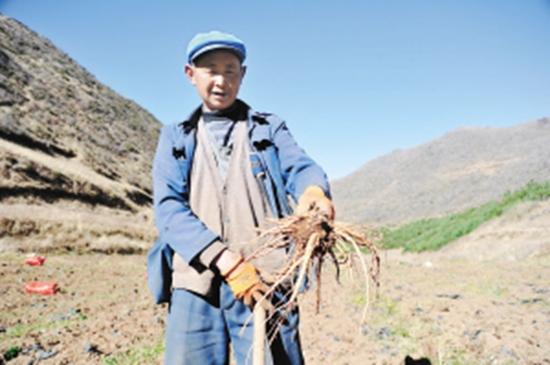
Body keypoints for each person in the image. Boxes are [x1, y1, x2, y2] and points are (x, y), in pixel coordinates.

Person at [151, 30, 334, 365]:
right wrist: (224, 260)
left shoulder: (269, 128)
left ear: (243, 74)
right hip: (197, 282)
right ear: (191, 74)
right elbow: (168, 209)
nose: (221, 80)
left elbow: (301, 166)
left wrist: (313, 190)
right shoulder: (175, 138)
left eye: (230, 70)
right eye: (210, 70)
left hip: (265, 277)